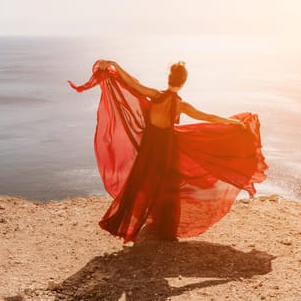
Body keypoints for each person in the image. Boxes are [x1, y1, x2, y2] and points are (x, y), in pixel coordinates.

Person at [69, 60, 267, 243]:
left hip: (149, 147)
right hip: (167, 148)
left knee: (142, 182)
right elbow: (209, 117)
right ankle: (164, 228)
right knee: (168, 185)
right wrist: (233, 122)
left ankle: (132, 223)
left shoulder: (156, 95)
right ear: (182, 83)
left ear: (169, 79)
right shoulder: (180, 105)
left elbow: (132, 84)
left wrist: (114, 65)